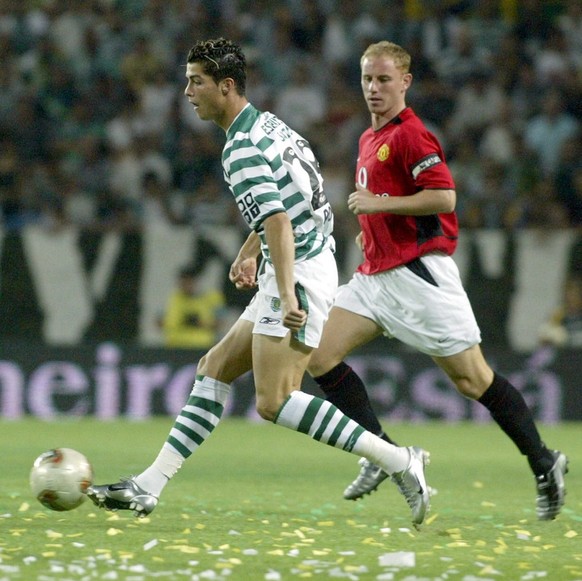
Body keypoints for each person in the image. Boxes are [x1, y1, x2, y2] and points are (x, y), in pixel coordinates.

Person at [86, 38, 431, 527]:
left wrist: (287, 290)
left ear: (225, 87)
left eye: (196, 82)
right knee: (214, 367)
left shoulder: (240, 149)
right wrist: (252, 253)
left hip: (300, 273)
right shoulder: (270, 126)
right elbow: (295, 202)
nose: (187, 92)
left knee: (275, 401)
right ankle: (149, 485)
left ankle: (400, 460)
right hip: (309, 260)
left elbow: (279, 223)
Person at [306, 40, 568, 521]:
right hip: (375, 277)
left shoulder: (413, 135)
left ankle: (544, 461)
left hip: (420, 276)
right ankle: (383, 454)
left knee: (473, 380)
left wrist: (380, 208)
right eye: (367, 79)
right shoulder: (368, 137)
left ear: (405, 82)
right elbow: (385, 204)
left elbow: (444, 198)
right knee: (320, 355)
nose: (374, 88)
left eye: (384, 79)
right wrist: (373, 234)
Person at [162, 265, 226, 349]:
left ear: (196, 281)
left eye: (189, 282)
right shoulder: (174, 299)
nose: (186, 285)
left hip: (202, 347)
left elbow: (220, 323)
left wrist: (199, 323)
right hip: (175, 347)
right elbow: (162, 321)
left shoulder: (211, 298)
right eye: (183, 282)